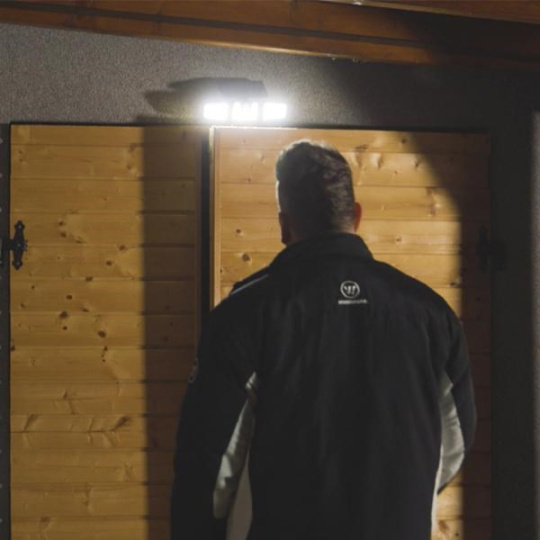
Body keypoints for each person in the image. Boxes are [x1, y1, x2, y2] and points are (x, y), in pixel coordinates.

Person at [170, 140, 476, 540]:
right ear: (357, 216)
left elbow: (208, 464)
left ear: (284, 226)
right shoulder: (432, 315)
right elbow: (454, 442)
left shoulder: (243, 315)